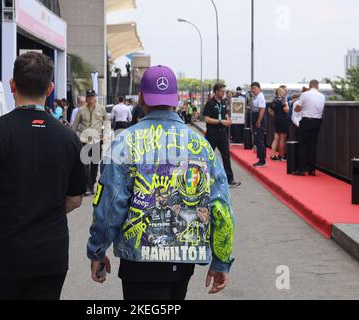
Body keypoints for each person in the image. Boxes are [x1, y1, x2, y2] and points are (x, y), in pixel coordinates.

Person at [87, 65, 235, 300]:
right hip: (182, 263)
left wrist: (97, 249)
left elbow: (110, 203)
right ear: (175, 99)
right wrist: (222, 260)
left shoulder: (124, 142)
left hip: (139, 264)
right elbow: (221, 207)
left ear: (142, 97)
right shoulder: (201, 145)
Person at [0, 52, 87, 300]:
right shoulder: (69, 138)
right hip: (48, 259)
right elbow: (75, 199)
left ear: (12, 84)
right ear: (50, 88)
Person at [72, 89, 111, 195]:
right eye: (89, 96)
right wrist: (73, 138)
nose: (91, 98)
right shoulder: (81, 110)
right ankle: (86, 187)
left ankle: (92, 185)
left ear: (95, 97)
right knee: (84, 165)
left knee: (94, 165)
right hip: (84, 140)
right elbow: (75, 125)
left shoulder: (101, 109)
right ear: (86, 98)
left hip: (97, 140)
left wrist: (106, 135)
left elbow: (107, 122)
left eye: (92, 96)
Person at [203, 83, 242, 188]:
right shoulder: (210, 103)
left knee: (226, 156)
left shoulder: (224, 102)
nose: (223, 93)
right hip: (212, 133)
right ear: (216, 91)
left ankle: (230, 179)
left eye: (224, 91)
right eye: (222, 91)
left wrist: (227, 118)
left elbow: (224, 113)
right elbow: (206, 119)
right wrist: (221, 121)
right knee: (208, 156)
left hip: (222, 133)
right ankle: (204, 178)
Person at [292, 80, 326, 176]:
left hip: (306, 121)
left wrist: (303, 107)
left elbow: (297, 108)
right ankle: (312, 169)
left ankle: (302, 169)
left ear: (310, 85)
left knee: (303, 145)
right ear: (317, 86)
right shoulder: (322, 96)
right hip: (317, 122)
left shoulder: (305, 95)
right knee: (313, 145)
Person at [269, 87, 290, 161]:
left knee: (276, 138)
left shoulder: (274, 100)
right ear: (280, 92)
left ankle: (272, 155)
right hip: (283, 120)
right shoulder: (282, 100)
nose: (285, 93)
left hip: (276, 120)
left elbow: (270, 110)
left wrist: (275, 116)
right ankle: (281, 155)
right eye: (284, 92)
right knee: (282, 138)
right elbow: (286, 110)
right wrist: (287, 102)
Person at [250, 82, 267, 168]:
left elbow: (262, 109)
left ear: (259, 88)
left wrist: (259, 121)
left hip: (259, 121)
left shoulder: (260, 97)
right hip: (255, 120)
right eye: (252, 88)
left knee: (260, 141)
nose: (253, 90)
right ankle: (260, 158)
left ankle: (262, 160)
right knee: (257, 140)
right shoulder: (256, 97)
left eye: (254, 88)